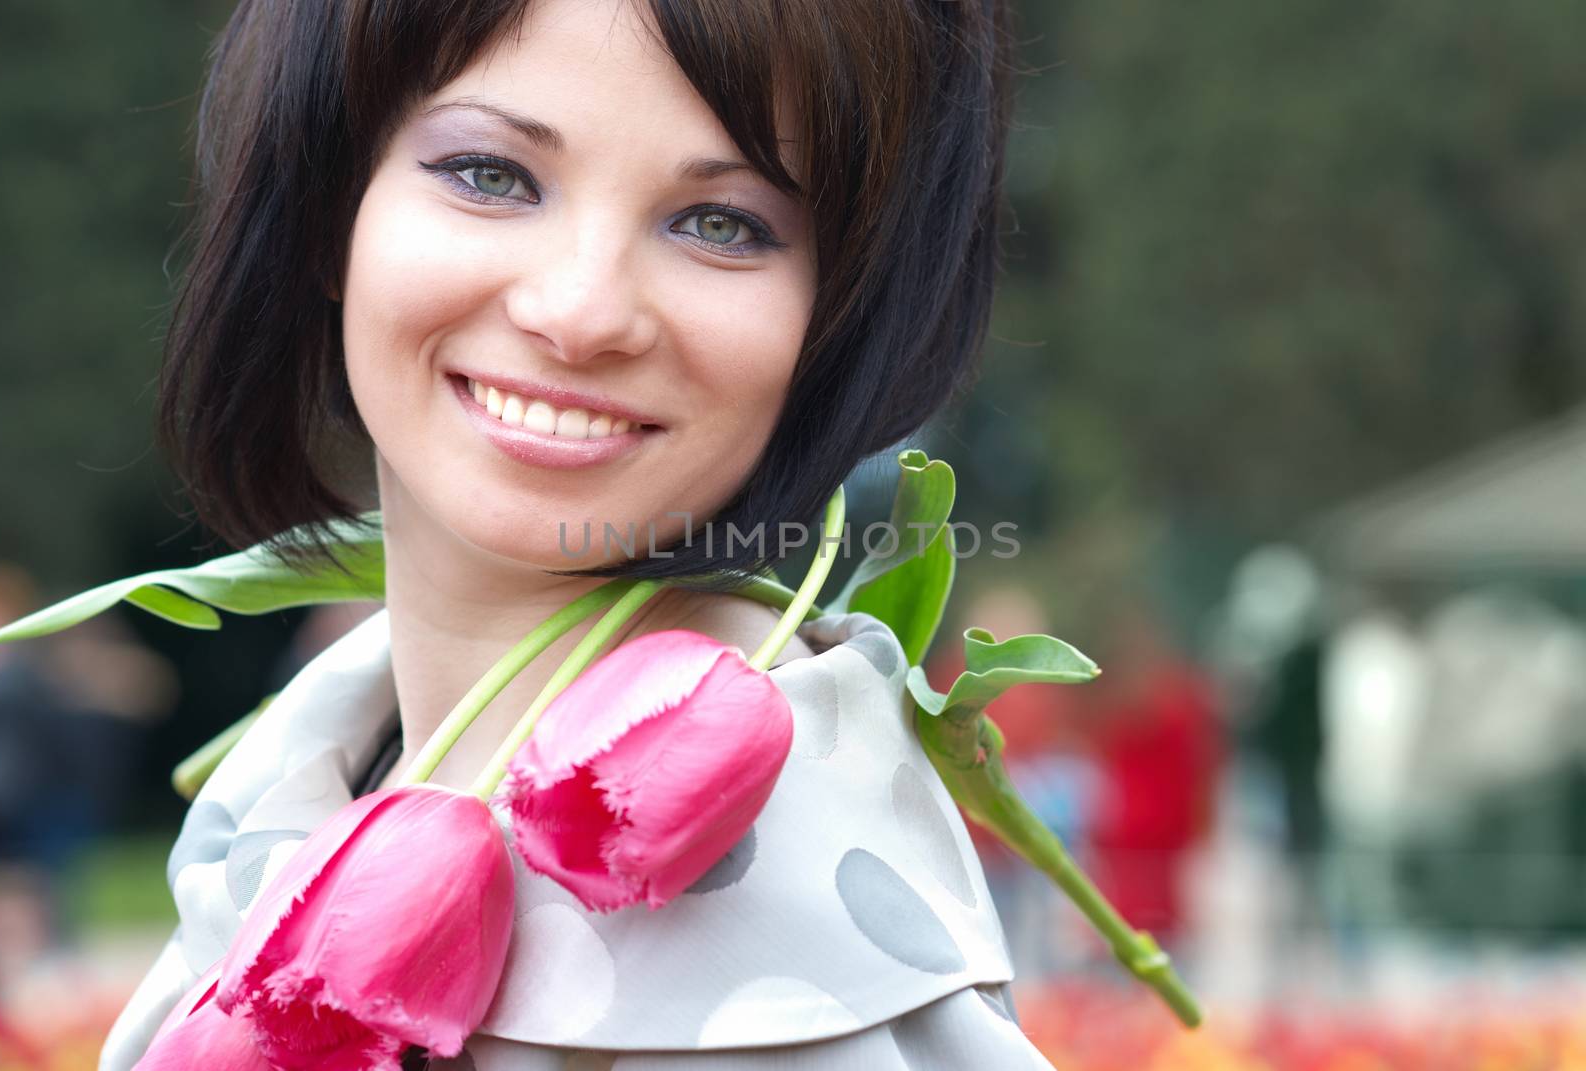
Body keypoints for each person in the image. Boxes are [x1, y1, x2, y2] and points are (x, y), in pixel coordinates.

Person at [98, 0, 1051, 1066]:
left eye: (722, 223)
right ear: (329, 207)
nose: (581, 310)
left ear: (840, 316)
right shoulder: (289, 790)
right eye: (489, 174)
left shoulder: (815, 980)